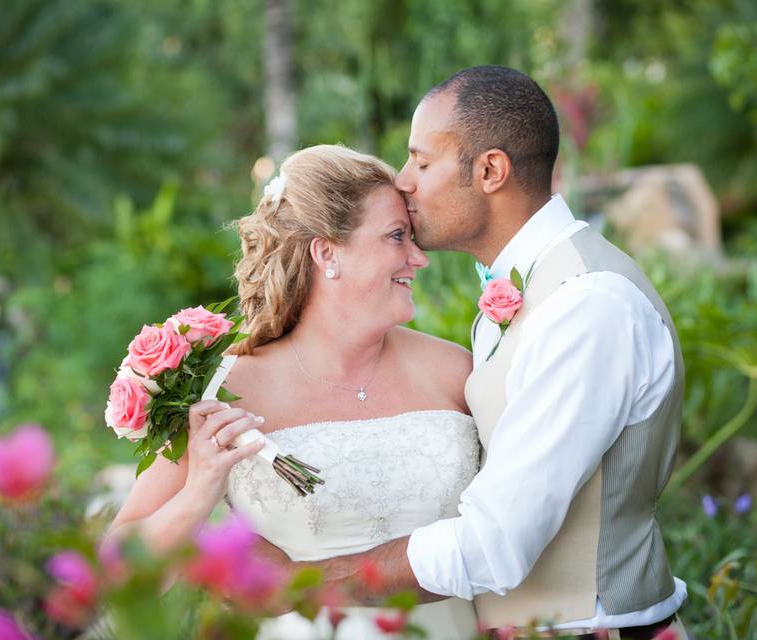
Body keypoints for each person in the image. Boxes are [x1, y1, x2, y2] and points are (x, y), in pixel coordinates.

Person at [281, 66, 690, 639]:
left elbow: (495, 541)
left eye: (422, 162)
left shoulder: (588, 304)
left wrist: (302, 583)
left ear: (490, 171)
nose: (404, 182)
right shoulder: (530, 287)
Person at [103, 144, 482, 639]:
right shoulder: (227, 391)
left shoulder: (455, 371)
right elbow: (116, 570)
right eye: (396, 237)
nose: (418, 259)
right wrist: (200, 493)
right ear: (326, 252)